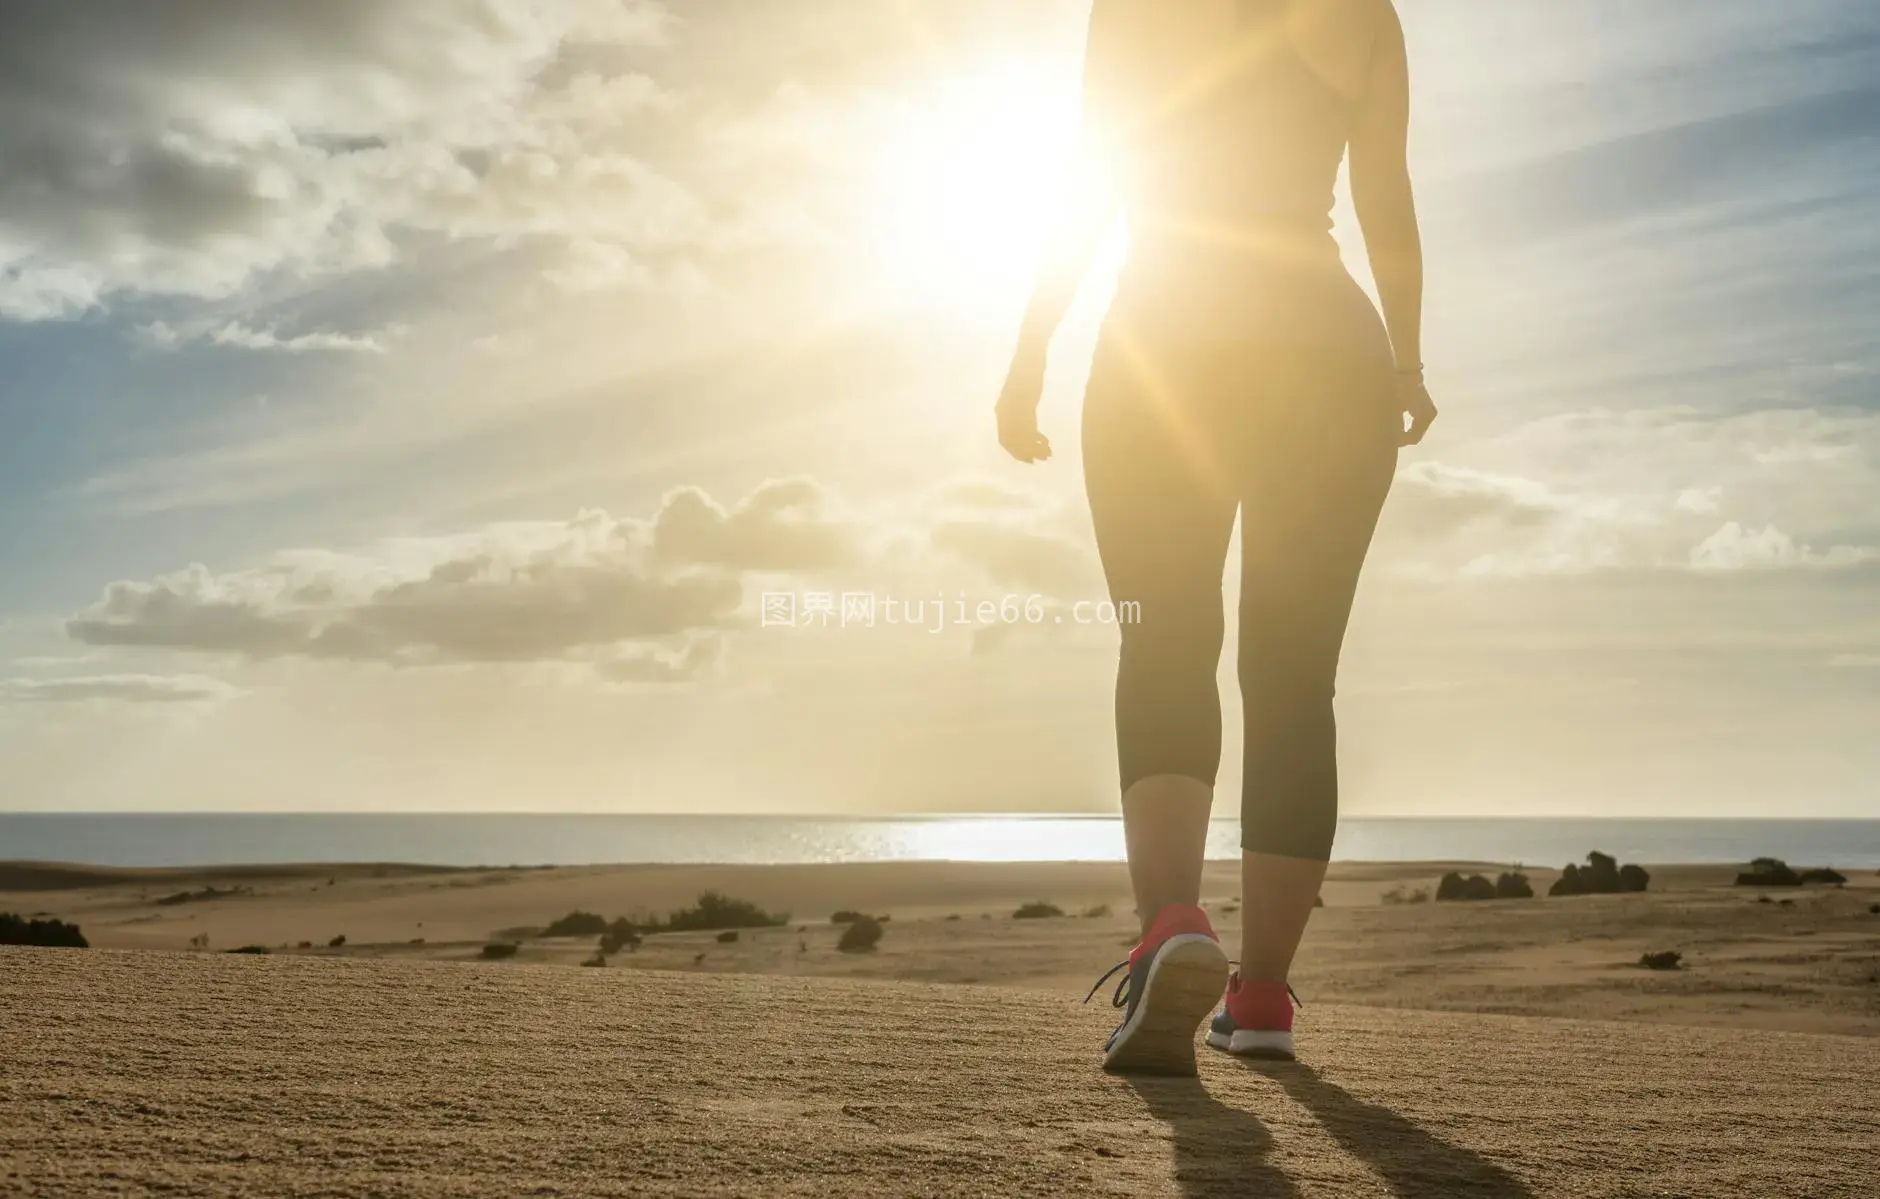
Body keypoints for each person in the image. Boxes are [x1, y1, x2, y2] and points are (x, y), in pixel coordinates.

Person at [996, 0, 1437, 1074]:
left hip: (1168, 339)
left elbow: (1088, 179)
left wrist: (1028, 353)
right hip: (1329, 348)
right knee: (1294, 676)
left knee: (1162, 639)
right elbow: (1382, 195)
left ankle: (1169, 929)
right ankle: (1263, 994)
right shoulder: (1362, 15)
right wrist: (1408, 362)